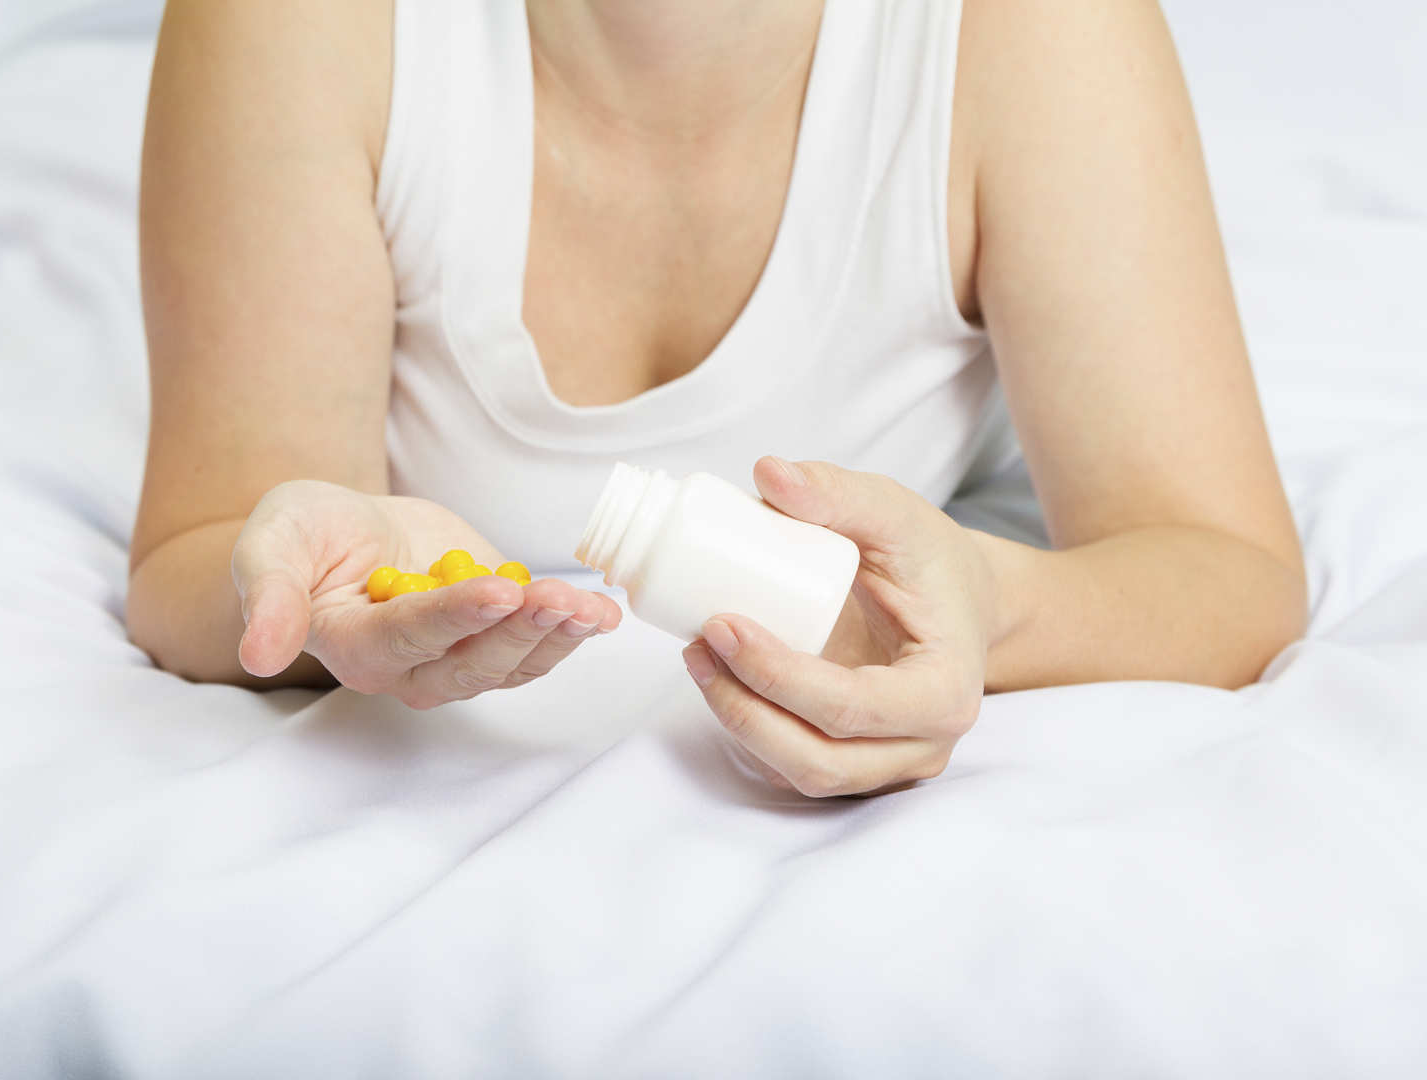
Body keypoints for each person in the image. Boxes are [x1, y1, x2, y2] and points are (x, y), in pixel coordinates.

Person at [124, 0, 1307, 797]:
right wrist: (315, 599)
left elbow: (1226, 569)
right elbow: (195, 558)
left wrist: (983, 607)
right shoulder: (298, 28)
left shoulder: (1029, 37)